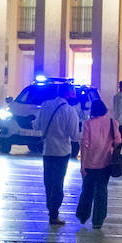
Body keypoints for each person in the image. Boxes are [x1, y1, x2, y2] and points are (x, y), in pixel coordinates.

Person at [35, 87, 81, 226]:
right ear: (68, 94)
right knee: (58, 182)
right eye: (72, 93)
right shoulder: (70, 111)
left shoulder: (45, 105)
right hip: (62, 152)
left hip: (48, 150)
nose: (74, 95)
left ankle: (51, 209)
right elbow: (74, 135)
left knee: (48, 182)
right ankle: (54, 213)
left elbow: (37, 126)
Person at [76, 99, 121, 229]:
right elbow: (117, 141)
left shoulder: (88, 124)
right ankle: (98, 220)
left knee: (87, 191)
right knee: (101, 191)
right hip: (106, 163)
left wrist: (82, 165)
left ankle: (83, 215)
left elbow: (84, 145)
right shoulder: (113, 123)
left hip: (90, 163)